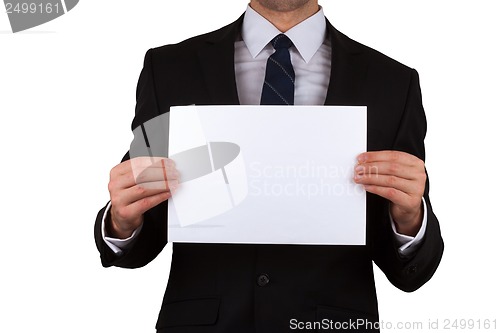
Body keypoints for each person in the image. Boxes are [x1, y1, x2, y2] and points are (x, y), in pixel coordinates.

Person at [94, 1, 444, 332]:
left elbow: (409, 273)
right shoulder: (169, 68)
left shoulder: (393, 83)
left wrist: (410, 220)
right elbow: (146, 218)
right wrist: (123, 221)